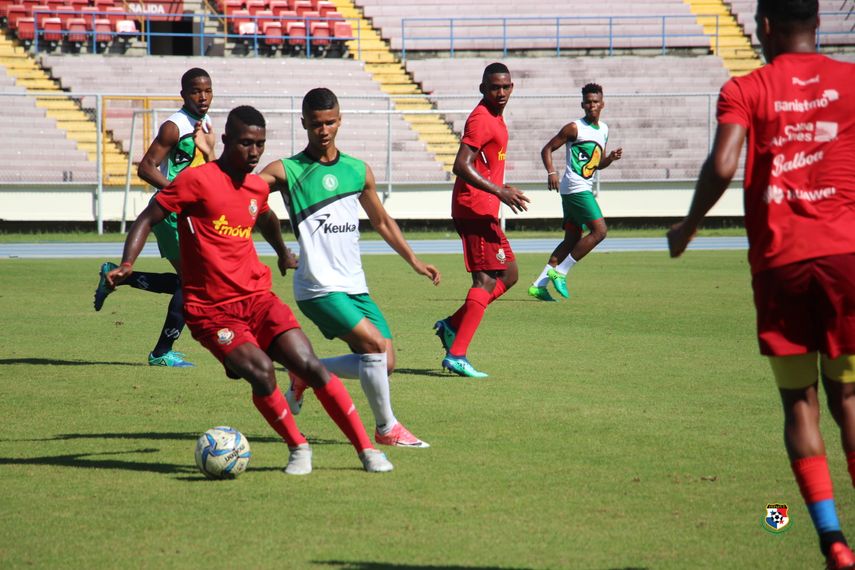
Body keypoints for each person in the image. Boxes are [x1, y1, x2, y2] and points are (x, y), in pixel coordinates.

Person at [105, 105, 393, 475]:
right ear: (225, 141)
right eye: (245, 144)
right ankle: (298, 447)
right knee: (261, 372)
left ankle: (368, 451)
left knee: (310, 366)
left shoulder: (257, 186)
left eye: (259, 145)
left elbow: (266, 216)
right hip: (212, 311)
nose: (254, 153)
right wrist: (127, 263)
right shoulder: (197, 181)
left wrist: (281, 252)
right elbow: (149, 216)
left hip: (259, 300)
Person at [667, 1, 855, 567]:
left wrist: (689, 225)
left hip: (781, 263)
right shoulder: (849, 82)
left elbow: (724, 164)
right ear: (818, 22)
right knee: (848, 398)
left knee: (800, 405)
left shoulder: (746, 88)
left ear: (766, 26)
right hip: (847, 256)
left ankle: (834, 542)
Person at [259, 87, 441, 449]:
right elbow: (248, 193)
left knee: (385, 361)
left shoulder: (358, 171)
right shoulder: (287, 170)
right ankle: (386, 428)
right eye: (315, 125)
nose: (323, 131)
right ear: (304, 124)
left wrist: (414, 260)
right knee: (373, 346)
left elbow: (383, 221)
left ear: (340, 121)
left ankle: (304, 373)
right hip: (317, 287)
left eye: (329, 123)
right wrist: (280, 249)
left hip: (354, 286)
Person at [93, 67, 216, 368]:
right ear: (183, 94)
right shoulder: (174, 127)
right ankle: (161, 352)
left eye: (207, 90)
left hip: (190, 214)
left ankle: (119, 277)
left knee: (187, 282)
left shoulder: (206, 123)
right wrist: (178, 191)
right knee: (193, 283)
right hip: (173, 213)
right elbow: (146, 167)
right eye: (196, 91)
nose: (203, 96)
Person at [432, 62, 530, 378]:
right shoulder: (480, 119)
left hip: (485, 208)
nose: (500, 93)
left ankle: (453, 325)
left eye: (505, 87)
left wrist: (500, 191)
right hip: (474, 208)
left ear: (512, 87)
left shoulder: (495, 117)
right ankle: (457, 354)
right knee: (485, 280)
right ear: (482, 89)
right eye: (493, 88)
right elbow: (460, 165)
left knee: (510, 274)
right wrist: (499, 191)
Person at [529, 83, 622, 301]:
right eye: (588, 102)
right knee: (600, 231)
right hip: (575, 187)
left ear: (602, 104)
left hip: (576, 188)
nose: (592, 105)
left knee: (572, 238)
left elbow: (596, 165)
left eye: (596, 102)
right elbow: (547, 149)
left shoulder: (604, 130)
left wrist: (610, 159)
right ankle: (560, 272)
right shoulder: (574, 128)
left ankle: (538, 285)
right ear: (582, 104)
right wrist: (551, 171)